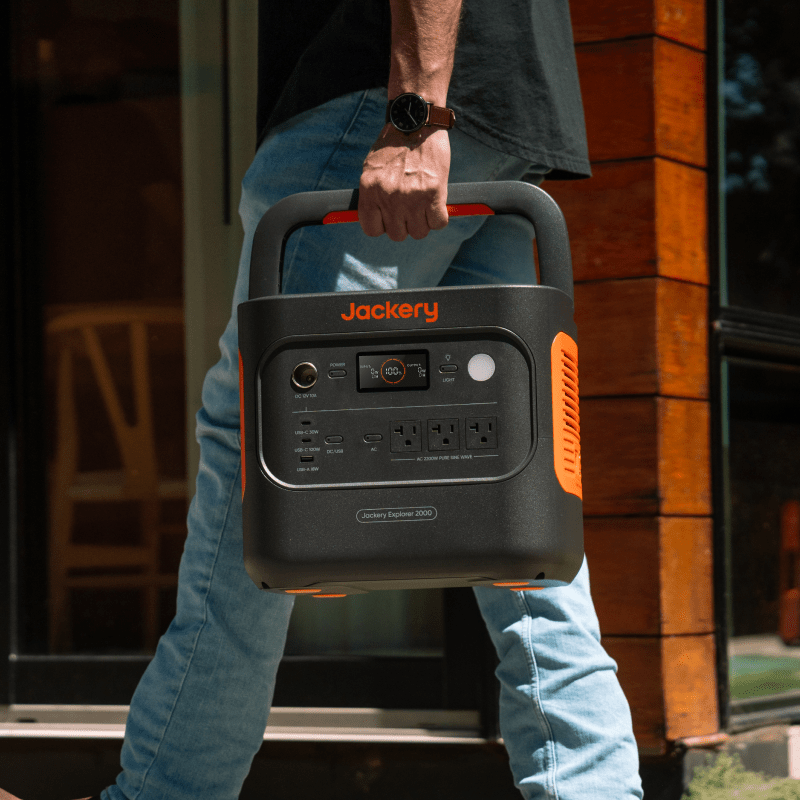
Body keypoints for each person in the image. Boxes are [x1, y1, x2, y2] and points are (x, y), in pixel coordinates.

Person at [4, 1, 644, 797]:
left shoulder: (407, 110)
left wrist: (414, 112)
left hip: (383, 102)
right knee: (515, 494)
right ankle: (592, 786)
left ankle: (166, 791)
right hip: (504, 106)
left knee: (266, 449)